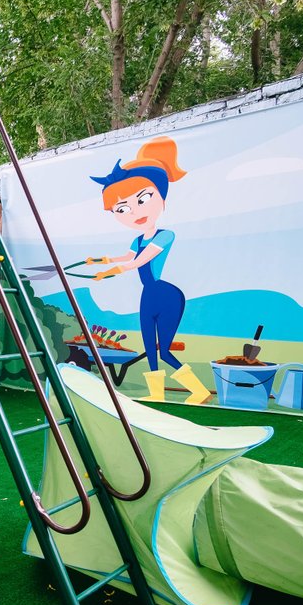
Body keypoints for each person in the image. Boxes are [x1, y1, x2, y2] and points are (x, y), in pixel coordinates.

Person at [82, 136, 210, 404]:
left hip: (166, 295)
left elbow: (138, 262)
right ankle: (157, 393)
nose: (134, 212)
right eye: (122, 208)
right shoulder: (138, 239)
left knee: (164, 350)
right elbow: (127, 255)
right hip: (149, 295)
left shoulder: (165, 236)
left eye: (143, 199)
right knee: (149, 347)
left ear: (161, 198)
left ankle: (200, 391)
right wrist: (99, 260)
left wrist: (109, 273)